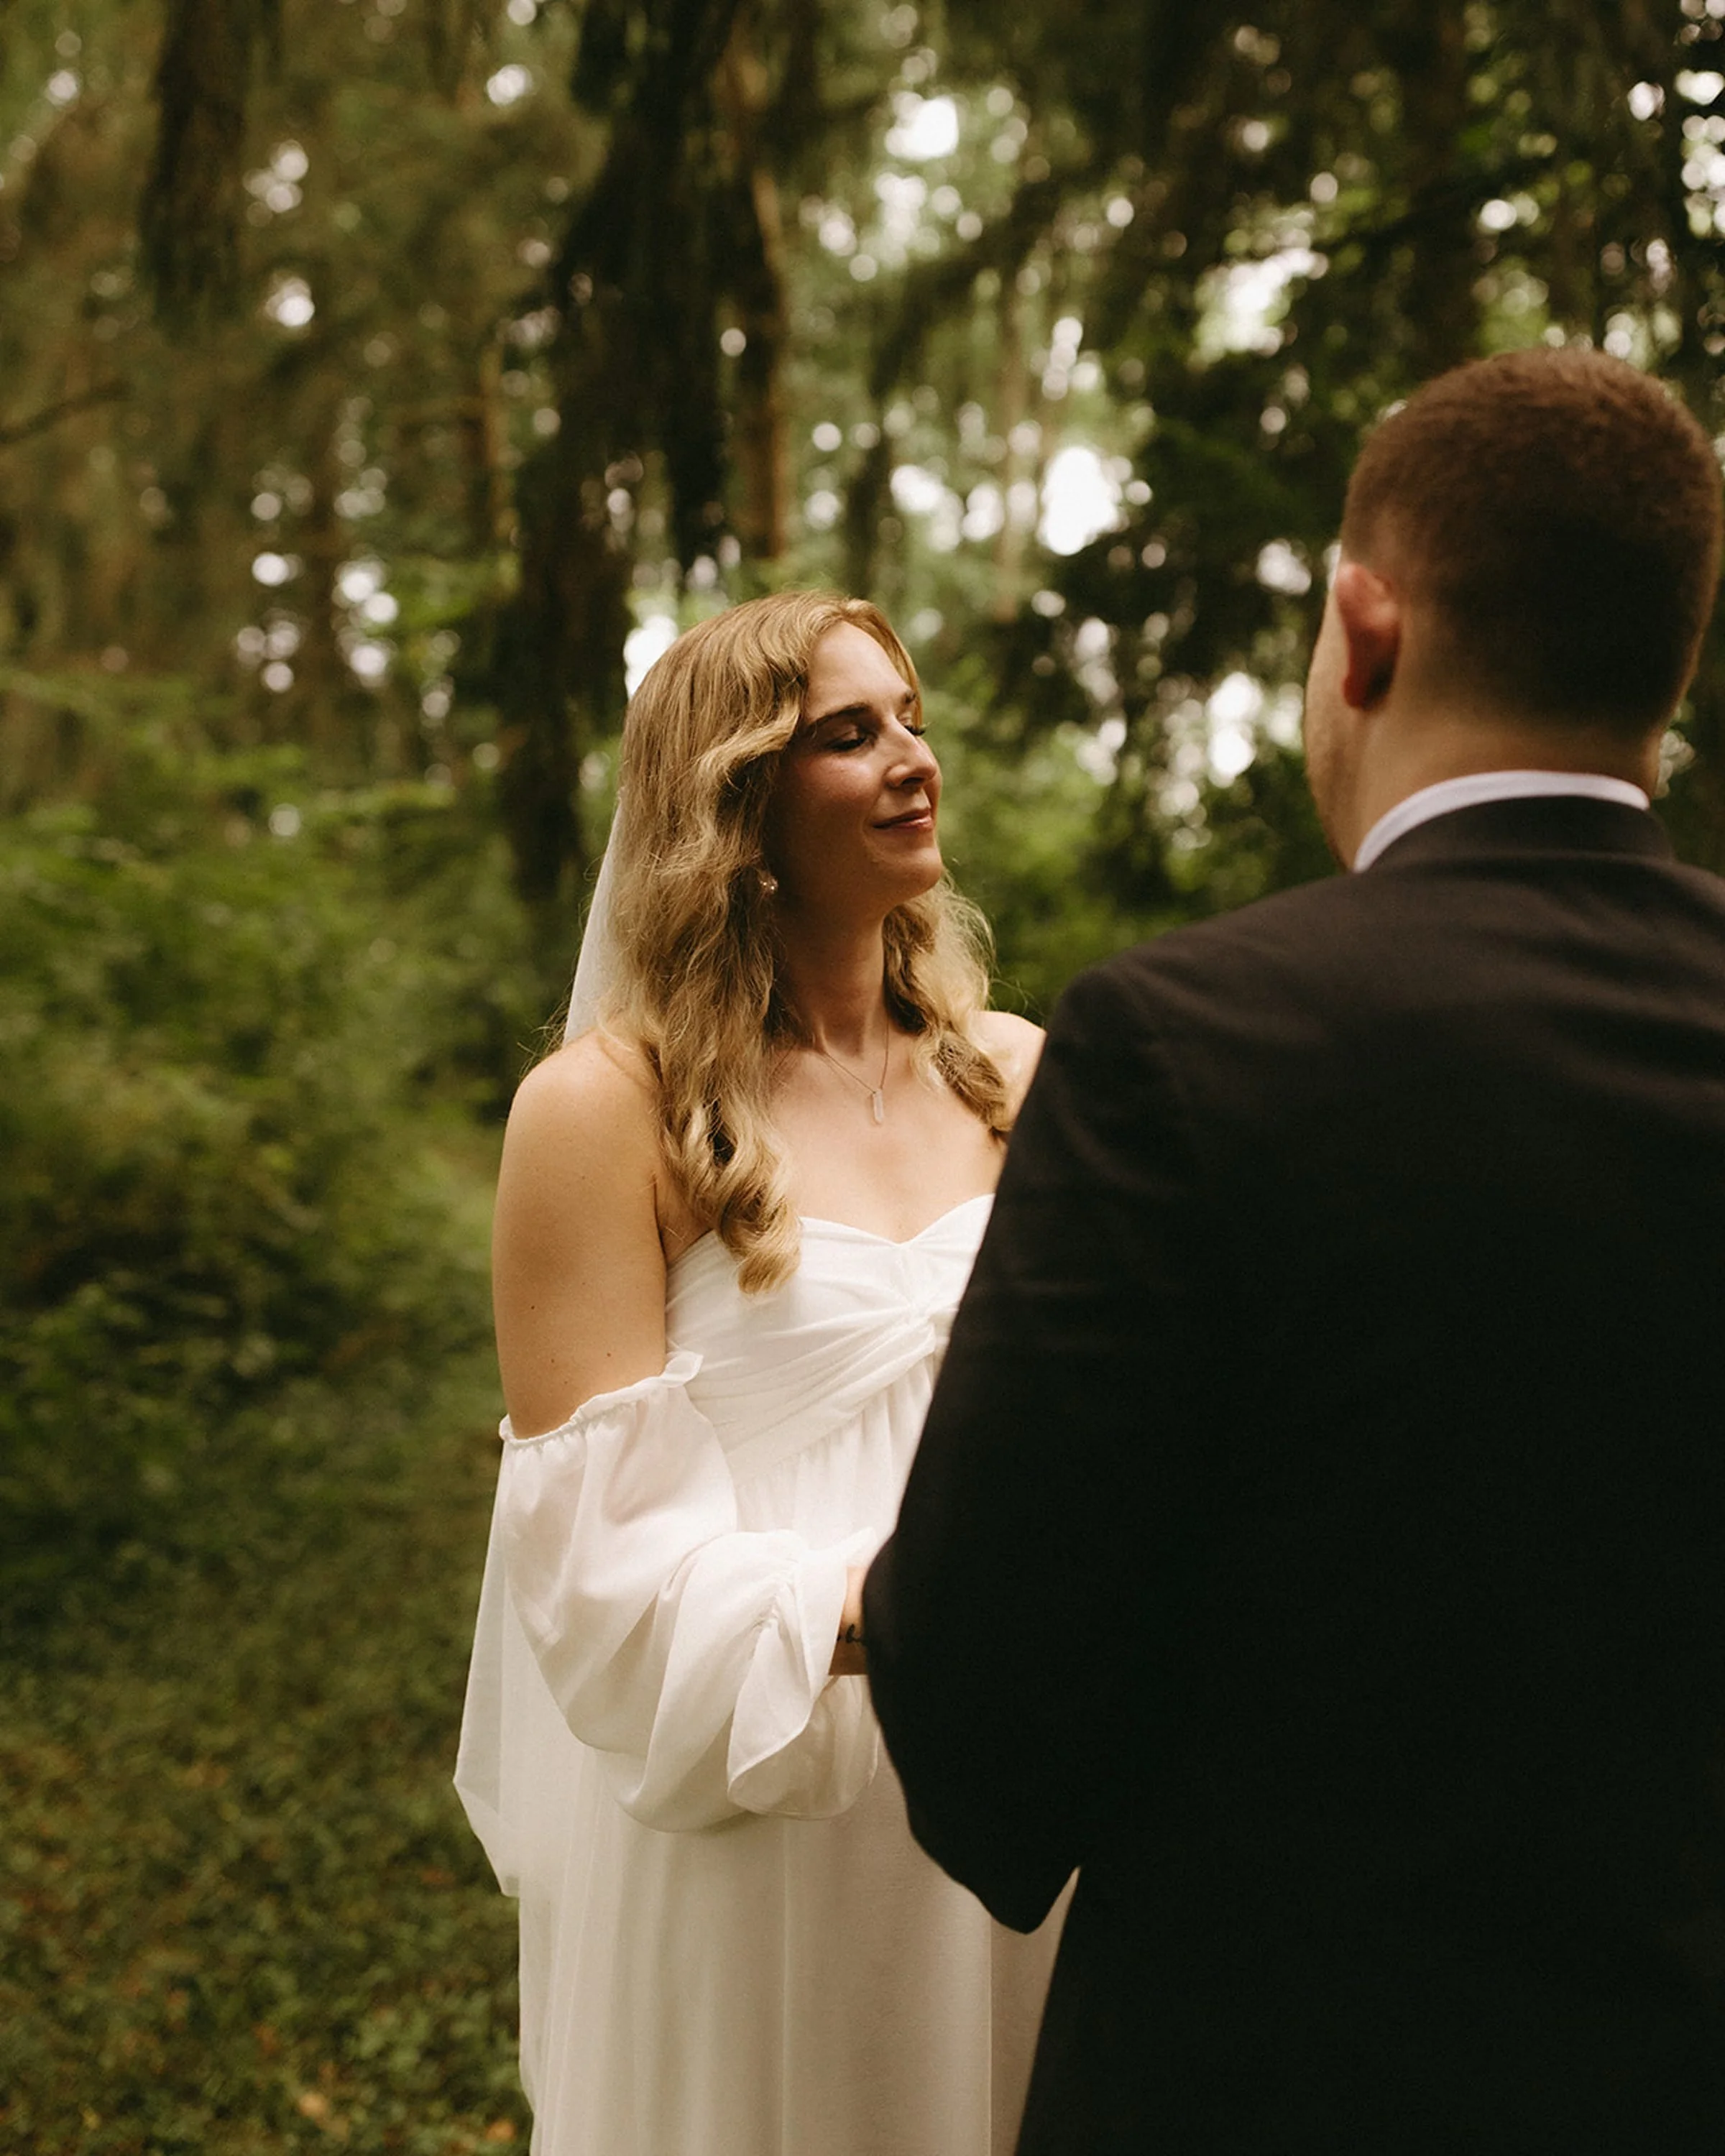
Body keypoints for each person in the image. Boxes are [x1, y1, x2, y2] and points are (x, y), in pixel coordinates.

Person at [864, 345, 1725, 2155]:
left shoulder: (1190, 1043)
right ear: (1674, 659)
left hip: (1271, 2073)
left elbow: (976, 1699)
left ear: (1367, 628)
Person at [455, 589, 1061, 2156]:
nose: (912, 758)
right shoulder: (602, 1112)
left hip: (1015, 1790)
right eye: (849, 734)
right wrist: (919, 1608)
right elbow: (598, 1577)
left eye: (912, 717)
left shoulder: (1020, 1073)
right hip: (768, 1812)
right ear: (738, 807)